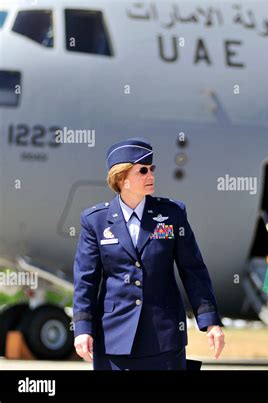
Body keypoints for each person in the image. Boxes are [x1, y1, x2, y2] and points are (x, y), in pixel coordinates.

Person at [73, 137, 224, 370]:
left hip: (164, 337)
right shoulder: (95, 221)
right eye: (142, 171)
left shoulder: (172, 214)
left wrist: (210, 322)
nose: (151, 175)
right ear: (121, 178)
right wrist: (82, 329)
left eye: (152, 169)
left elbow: (193, 270)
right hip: (114, 336)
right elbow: (86, 280)